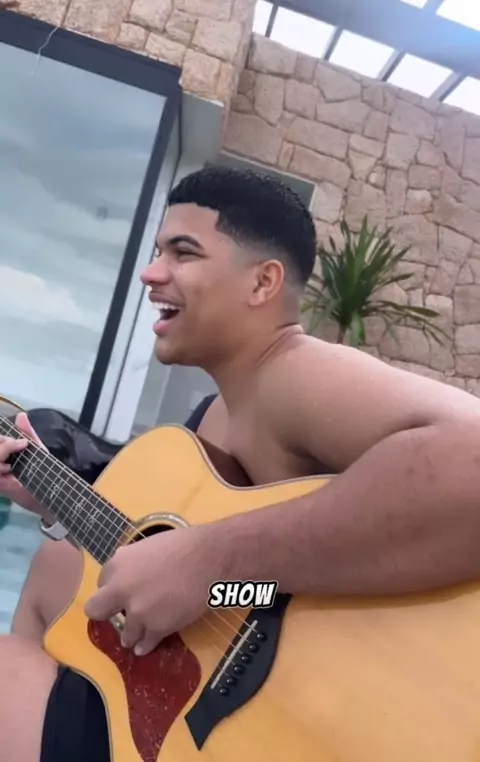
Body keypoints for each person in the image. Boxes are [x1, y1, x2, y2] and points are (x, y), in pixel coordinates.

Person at [2, 166, 480, 761]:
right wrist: (54, 499)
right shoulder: (216, 414)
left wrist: (210, 561)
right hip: (231, 671)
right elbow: (244, 593)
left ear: (262, 282)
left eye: (183, 252)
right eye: (157, 251)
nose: (151, 273)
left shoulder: (295, 374)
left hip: (318, 716)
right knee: (56, 568)